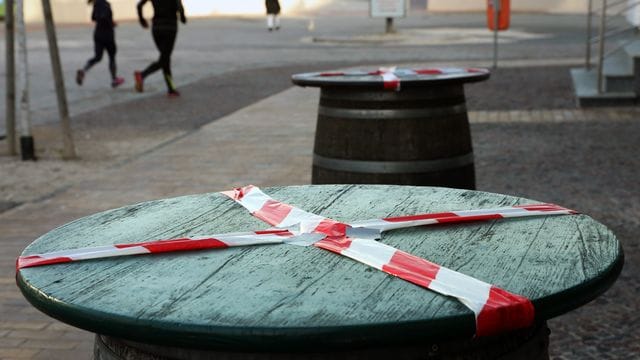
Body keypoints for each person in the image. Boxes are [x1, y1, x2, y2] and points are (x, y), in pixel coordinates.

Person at [135, 0, 186, 97]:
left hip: (157, 28)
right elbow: (179, 6)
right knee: (165, 58)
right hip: (170, 27)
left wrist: (142, 20)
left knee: (165, 58)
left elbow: (139, 5)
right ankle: (142, 75)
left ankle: (171, 89)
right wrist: (183, 18)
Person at [76, 0, 124, 88]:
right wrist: (111, 23)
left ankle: (83, 70)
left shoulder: (96, 4)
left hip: (98, 33)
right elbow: (104, 17)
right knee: (112, 57)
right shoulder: (106, 4)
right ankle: (114, 79)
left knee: (98, 57)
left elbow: (93, 18)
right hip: (108, 34)